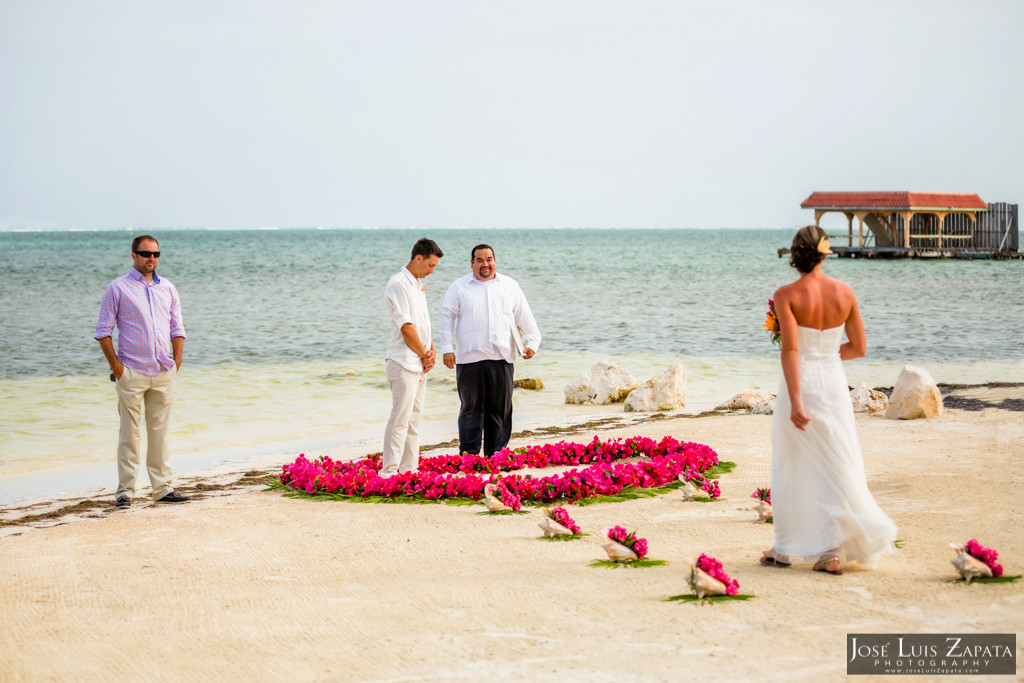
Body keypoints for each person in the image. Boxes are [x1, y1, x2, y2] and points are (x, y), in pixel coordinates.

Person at [760, 226, 897, 575]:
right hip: (834, 383)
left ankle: (785, 549)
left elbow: (791, 349)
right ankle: (830, 552)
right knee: (836, 462)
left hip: (802, 382)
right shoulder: (845, 292)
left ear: (795, 255)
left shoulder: (785, 294)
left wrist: (795, 401)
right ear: (825, 253)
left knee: (792, 465)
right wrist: (825, 354)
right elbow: (859, 348)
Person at [95, 235, 190, 508]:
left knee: (160, 432)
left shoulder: (168, 288)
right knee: (129, 433)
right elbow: (103, 332)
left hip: (163, 371)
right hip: (131, 372)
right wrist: (117, 368)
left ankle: (163, 489)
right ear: (133, 255)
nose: (152, 258)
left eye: (156, 254)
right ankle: (125, 492)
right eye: (146, 253)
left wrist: (177, 363)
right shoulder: (117, 289)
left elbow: (177, 329)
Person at [440, 244, 541, 456]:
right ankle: (469, 455)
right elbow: (447, 317)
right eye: (480, 260)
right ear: (472, 263)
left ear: (495, 260)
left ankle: (496, 455)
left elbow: (523, 314)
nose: (485, 264)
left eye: (489, 259)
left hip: (501, 357)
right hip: (469, 358)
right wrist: (447, 349)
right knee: (470, 409)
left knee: (500, 410)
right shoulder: (459, 287)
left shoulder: (509, 285)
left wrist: (532, 342)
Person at [381, 238, 444, 478]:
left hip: (418, 362)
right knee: (400, 418)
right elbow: (406, 328)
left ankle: (409, 471)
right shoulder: (399, 284)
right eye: (430, 266)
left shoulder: (417, 285)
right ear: (418, 258)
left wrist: (432, 351)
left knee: (413, 421)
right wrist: (424, 354)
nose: (432, 271)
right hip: (403, 362)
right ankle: (388, 472)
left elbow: (422, 325)